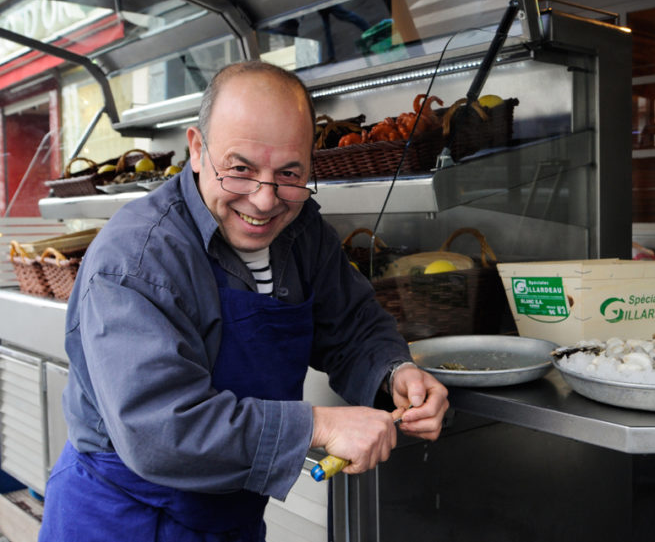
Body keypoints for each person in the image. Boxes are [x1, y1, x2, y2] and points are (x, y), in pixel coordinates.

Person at [39, 60, 450, 542]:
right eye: (240, 170)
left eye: (289, 173)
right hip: (123, 517)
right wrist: (317, 426)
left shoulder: (303, 234)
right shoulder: (135, 259)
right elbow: (161, 431)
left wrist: (393, 372)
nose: (264, 200)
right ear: (197, 149)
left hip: (230, 519)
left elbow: (352, 325)